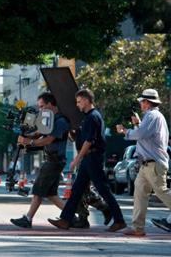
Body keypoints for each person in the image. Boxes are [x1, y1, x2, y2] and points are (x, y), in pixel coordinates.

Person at [48, 89, 126, 232]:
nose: (77, 105)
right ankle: (65, 220)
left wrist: (76, 159)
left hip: (93, 157)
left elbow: (89, 141)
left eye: (78, 102)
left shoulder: (93, 117)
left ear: (85, 100)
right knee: (77, 190)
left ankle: (119, 220)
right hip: (89, 158)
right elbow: (81, 138)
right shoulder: (88, 117)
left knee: (104, 190)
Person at [10, 92, 71, 228]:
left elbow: (48, 140)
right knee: (51, 194)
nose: (41, 110)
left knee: (38, 190)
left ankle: (28, 218)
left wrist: (29, 142)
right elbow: (39, 133)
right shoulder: (50, 120)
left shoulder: (60, 121)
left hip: (55, 161)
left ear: (50, 104)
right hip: (52, 160)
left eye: (42, 106)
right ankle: (72, 216)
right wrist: (26, 136)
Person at [116, 88, 171, 236]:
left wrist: (125, 131)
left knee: (161, 191)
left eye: (141, 101)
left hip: (153, 163)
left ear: (147, 102)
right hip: (147, 164)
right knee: (140, 194)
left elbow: (139, 134)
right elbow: (144, 136)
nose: (140, 104)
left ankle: (137, 228)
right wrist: (136, 124)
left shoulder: (152, 115)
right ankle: (137, 228)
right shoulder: (152, 116)